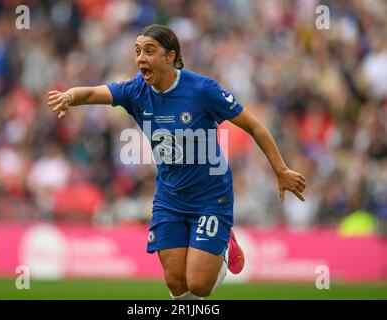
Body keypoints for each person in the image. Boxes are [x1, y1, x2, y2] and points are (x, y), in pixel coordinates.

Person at [47, 24, 306, 299]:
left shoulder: (201, 89)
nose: (141, 58)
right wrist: (69, 96)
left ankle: (224, 245)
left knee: (198, 284)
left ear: (170, 56)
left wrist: (281, 170)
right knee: (175, 283)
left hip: (210, 197)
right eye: (137, 51)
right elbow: (92, 94)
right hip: (170, 198)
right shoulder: (135, 91)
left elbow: (254, 125)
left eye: (149, 50)